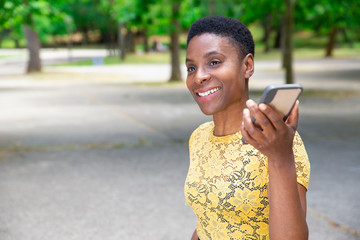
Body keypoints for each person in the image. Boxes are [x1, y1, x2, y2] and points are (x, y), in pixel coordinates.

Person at [183, 16, 310, 240]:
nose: (198, 77)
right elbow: (206, 221)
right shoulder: (199, 137)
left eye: (214, 62)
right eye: (191, 67)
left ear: (247, 66)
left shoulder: (277, 141)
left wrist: (280, 156)